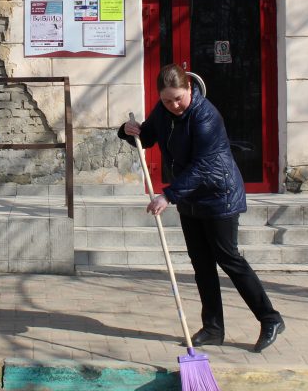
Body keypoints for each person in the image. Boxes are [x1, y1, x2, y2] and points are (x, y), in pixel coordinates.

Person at [119, 63, 286, 353]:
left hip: (218, 196)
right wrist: (126, 131)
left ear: (189, 90)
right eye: (167, 100)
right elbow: (146, 137)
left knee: (229, 258)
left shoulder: (205, 116)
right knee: (201, 265)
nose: (174, 105)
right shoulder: (163, 111)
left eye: (178, 98)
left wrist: (168, 196)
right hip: (191, 200)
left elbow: (204, 166)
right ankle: (213, 328)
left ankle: (270, 318)